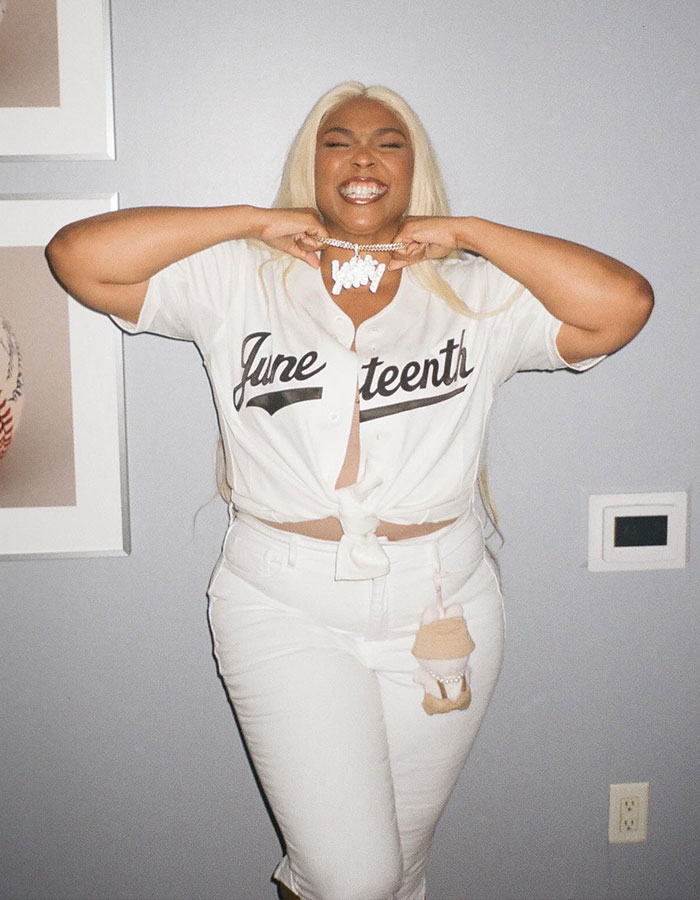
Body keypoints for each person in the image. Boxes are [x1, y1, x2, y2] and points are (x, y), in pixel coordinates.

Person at [45, 82, 653, 900]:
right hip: (281, 600)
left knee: (397, 870)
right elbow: (77, 256)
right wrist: (253, 221)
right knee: (352, 875)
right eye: (339, 141)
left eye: (388, 142)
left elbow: (623, 306)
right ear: (314, 163)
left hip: (443, 605)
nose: (363, 156)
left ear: (413, 168)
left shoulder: (476, 291)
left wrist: (469, 233)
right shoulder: (236, 279)